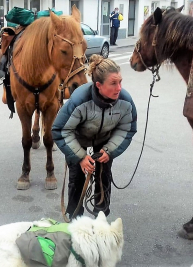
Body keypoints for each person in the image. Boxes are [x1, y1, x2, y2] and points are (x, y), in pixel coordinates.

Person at [52, 54, 137, 219]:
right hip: (77, 138)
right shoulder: (79, 100)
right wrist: (81, 157)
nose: (119, 88)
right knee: (77, 177)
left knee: (103, 175)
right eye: (113, 83)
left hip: (104, 139)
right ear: (98, 85)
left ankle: (101, 216)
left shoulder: (125, 101)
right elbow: (61, 130)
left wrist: (109, 150)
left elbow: (126, 129)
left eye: (120, 82)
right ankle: (75, 216)